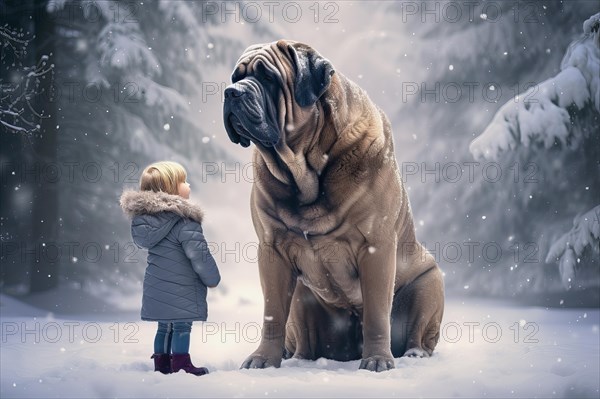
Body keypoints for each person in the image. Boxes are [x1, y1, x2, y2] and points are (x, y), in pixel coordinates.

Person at [120, 161, 220, 376]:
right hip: (181, 287)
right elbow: (199, 255)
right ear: (170, 188)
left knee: (164, 326)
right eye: (183, 181)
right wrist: (212, 278)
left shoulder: (146, 222)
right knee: (182, 326)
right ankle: (182, 364)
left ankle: (162, 363)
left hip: (156, 286)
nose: (188, 185)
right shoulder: (184, 221)